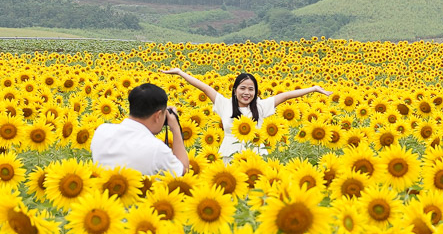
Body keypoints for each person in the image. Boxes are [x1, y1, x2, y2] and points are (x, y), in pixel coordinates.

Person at [162, 67, 332, 163]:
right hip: (229, 157)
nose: (246, 92)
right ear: (235, 90)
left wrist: (314, 88)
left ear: (256, 92)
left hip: (256, 158)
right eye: (242, 88)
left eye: (251, 89)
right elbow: (204, 88)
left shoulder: (261, 106)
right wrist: (180, 73)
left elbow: (287, 95)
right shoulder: (224, 104)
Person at [90, 82, 190, 176]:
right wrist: (175, 128)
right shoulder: (157, 149)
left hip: (100, 193)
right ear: (158, 115)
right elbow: (183, 170)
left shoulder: (101, 131)